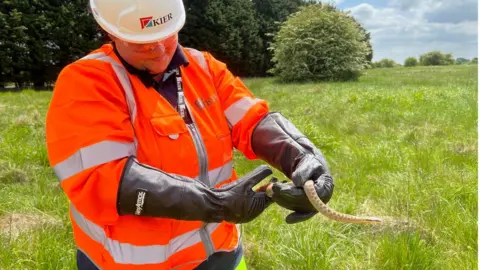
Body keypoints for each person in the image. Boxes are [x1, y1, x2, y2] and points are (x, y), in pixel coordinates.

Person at [45, 0, 334, 269]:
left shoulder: (204, 67)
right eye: (142, 43)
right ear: (109, 31)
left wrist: (302, 157)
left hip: (223, 253)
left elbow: (252, 120)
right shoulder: (86, 82)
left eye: (168, 35)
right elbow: (101, 178)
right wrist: (217, 204)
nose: (158, 49)